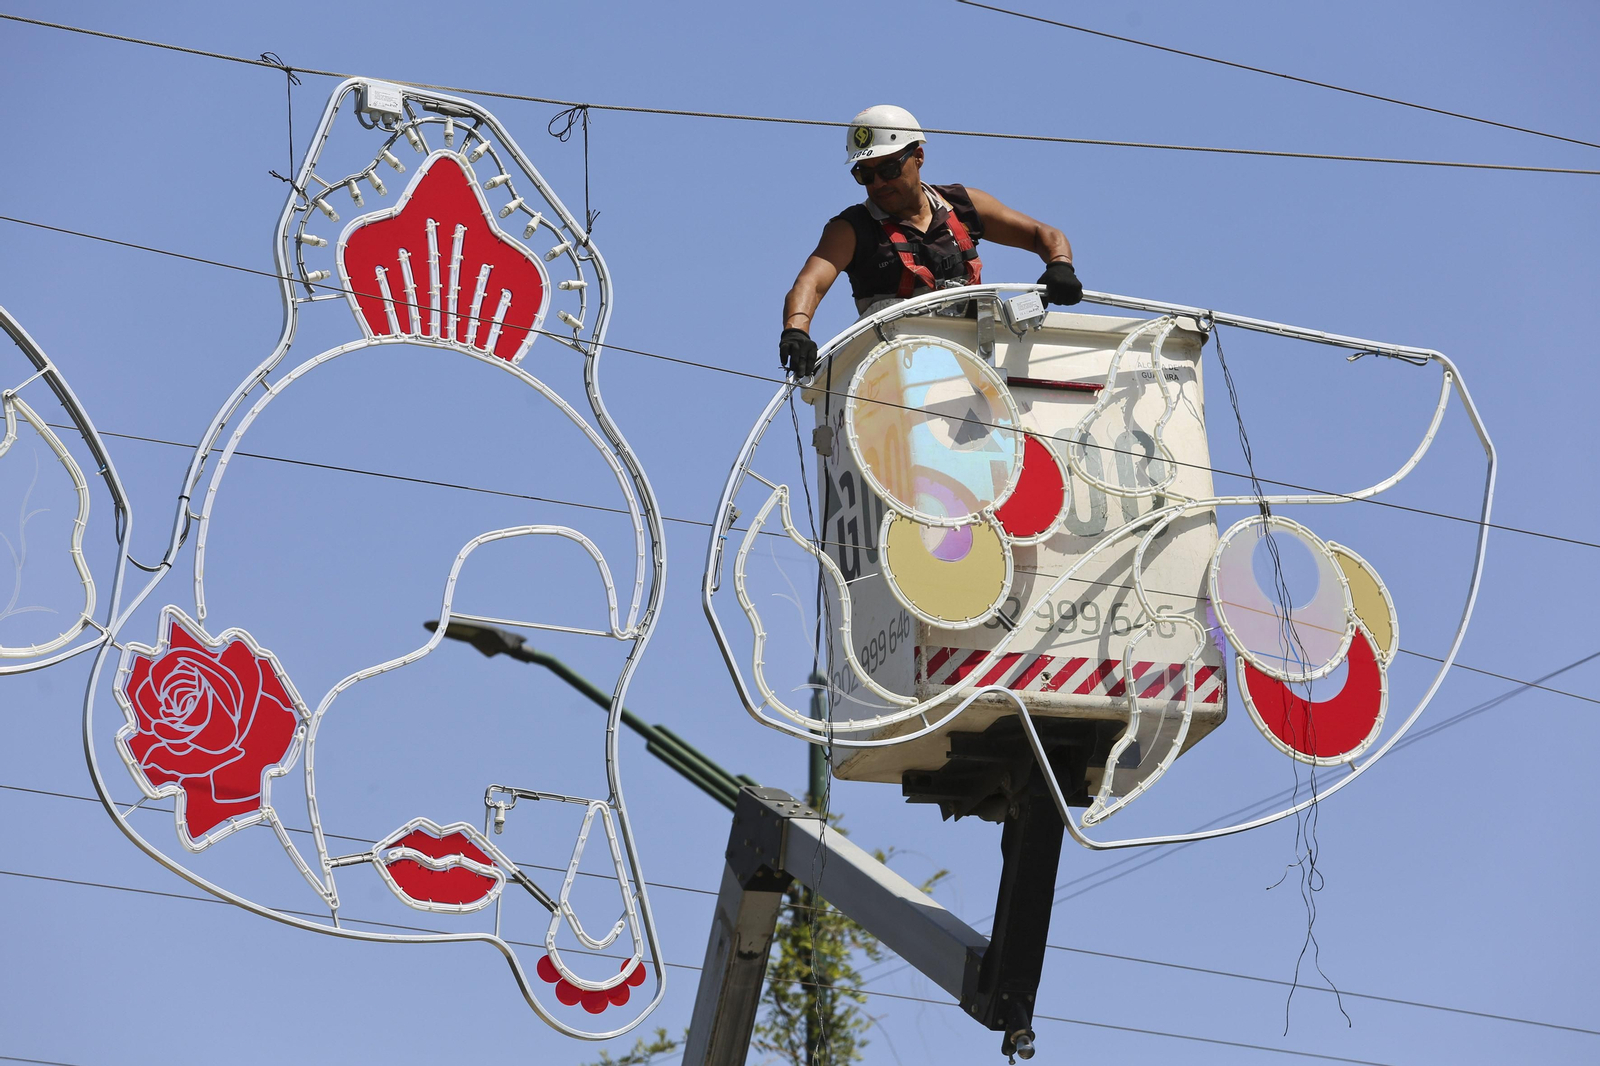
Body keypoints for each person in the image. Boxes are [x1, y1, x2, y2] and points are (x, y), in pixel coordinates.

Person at [779, 104, 1083, 378]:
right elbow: (810, 284)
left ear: (918, 157)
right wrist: (796, 331)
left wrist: (1060, 267)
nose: (879, 183)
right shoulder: (851, 229)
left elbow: (1044, 235)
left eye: (888, 169)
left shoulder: (961, 205)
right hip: (901, 369)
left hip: (975, 361)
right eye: (865, 175)